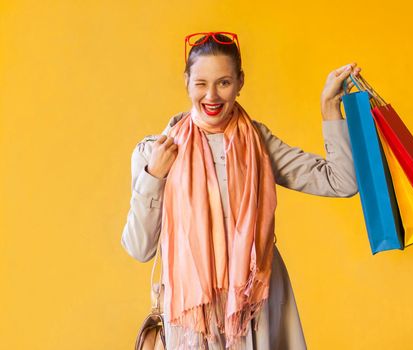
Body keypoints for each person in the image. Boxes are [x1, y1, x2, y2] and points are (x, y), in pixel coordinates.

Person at [121, 32, 361, 350]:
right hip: (192, 321)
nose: (212, 96)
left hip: (256, 307)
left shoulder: (258, 144)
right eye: (201, 83)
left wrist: (330, 108)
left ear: (240, 82)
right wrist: (154, 175)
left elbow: (341, 181)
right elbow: (140, 249)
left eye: (223, 82)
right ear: (186, 82)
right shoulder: (155, 151)